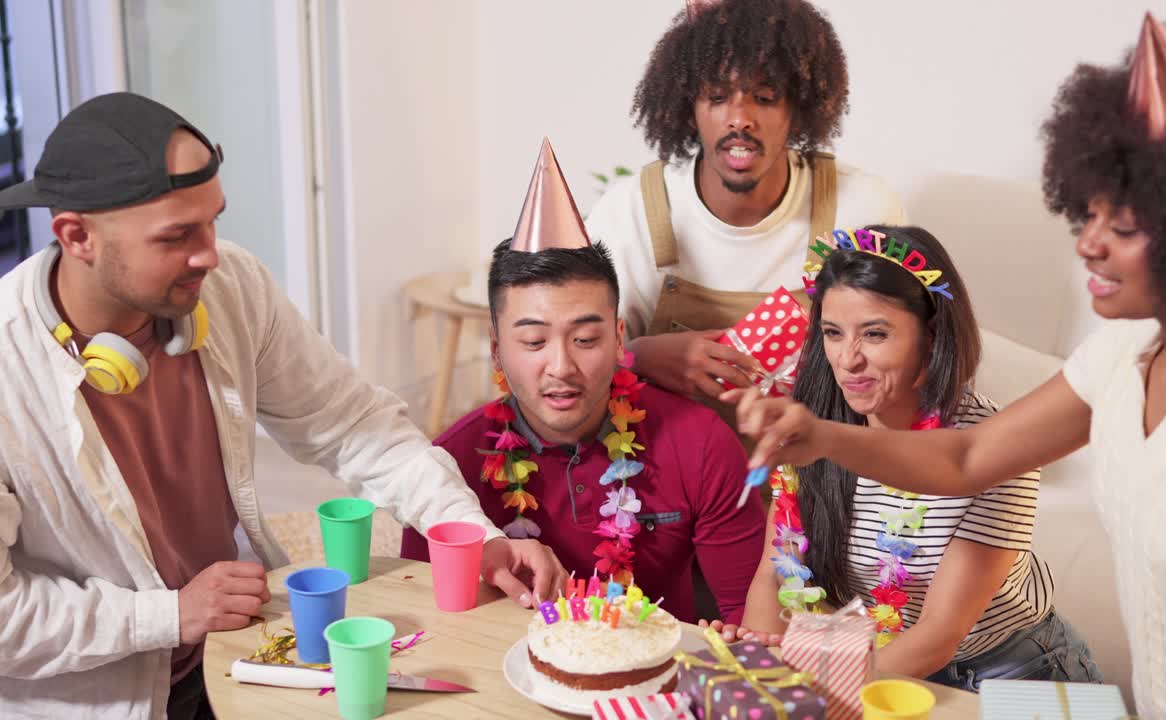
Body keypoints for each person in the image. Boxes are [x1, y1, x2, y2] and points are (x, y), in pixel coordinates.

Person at [726, 16, 1166, 720]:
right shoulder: (1119, 358)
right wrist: (823, 437)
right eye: (1087, 216)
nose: (1087, 245)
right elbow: (966, 460)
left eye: (1125, 228)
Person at [0, 92, 565, 720]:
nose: (209, 254)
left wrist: (469, 533)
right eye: (177, 236)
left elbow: (354, 424)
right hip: (101, 697)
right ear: (76, 236)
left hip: (238, 646)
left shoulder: (229, 287)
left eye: (213, 220)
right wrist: (164, 616)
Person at [706, 225, 1099, 689]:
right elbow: (774, 574)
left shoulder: (996, 445)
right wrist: (762, 682)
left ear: (931, 336)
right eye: (833, 332)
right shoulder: (813, 427)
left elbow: (939, 633)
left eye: (874, 334)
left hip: (1012, 671)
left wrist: (804, 696)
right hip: (873, 664)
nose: (848, 360)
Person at [402, 140, 766, 625]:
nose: (561, 367)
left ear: (619, 339)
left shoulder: (700, 444)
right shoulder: (447, 471)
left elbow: (751, 618)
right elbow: (425, 624)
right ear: (495, 349)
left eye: (586, 338)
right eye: (533, 342)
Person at [585, 0, 906, 410]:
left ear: (799, 109)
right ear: (689, 110)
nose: (740, 118)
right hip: (665, 464)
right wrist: (638, 357)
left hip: (818, 466)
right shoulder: (628, 216)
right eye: (717, 96)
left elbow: (910, 361)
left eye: (766, 96)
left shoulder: (860, 210)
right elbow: (569, 365)